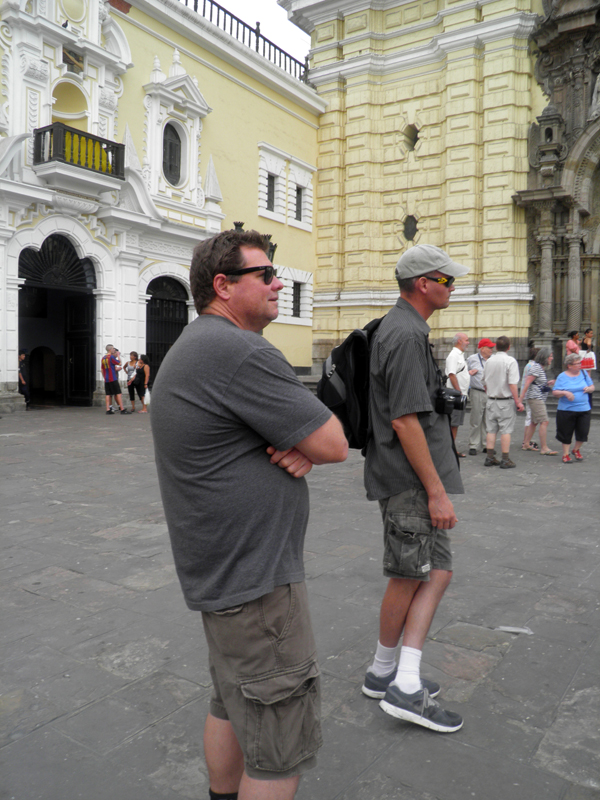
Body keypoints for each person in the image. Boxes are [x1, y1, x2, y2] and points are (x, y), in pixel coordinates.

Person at [150, 229, 348, 800]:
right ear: (223, 286)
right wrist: (307, 443)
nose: (278, 283)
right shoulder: (240, 350)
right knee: (279, 743)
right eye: (265, 275)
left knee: (231, 702)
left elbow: (305, 442)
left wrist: (299, 444)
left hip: (222, 576)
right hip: (257, 587)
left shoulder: (197, 345)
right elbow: (334, 442)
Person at [361, 243, 466, 734]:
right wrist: (436, 491)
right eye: (447, 279)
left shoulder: (405, 329)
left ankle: (384, 672)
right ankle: (404, 684)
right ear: (423, 284)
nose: (453, 285)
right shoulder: (403, 334)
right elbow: (404, 421)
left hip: (411, 479)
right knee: (414, 574)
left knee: (431, 570)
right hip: (410, 482)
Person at [482, 336, 524, 469]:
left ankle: (489, 457)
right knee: (506, 430)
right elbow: (512, 384)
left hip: (491, 400)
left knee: (491, 429)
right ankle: (505, 459)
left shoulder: (489, 361)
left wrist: (490, 391)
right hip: (505, 401)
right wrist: (518, 401)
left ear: (495, 347)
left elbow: (484, 381)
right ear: (509, 347)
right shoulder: (510, 361)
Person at [552, 353, 595, 463]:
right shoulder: (562, 376)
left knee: (583, 432)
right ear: (569, 365)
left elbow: (592, 386)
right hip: (566, 409)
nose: (580, 365)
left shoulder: (584, 373)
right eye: (577, 364)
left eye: (580, 363)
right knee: (566, 432)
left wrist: (589, 389)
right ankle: (565, 454)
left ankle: (576, 449)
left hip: (584, 408)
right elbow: (555, 392)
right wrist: (565, 392)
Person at [518, 347, 556, 455]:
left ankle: (526, 443)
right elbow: (527, 383)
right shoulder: (536, 367)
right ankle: (544, 448)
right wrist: (520, 399)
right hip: (535, 398)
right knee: (544, 421)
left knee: (534, 422)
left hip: (537, 397)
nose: (552, 358)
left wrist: (546, 383)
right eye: (551, 356)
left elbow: (535, 382)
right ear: (545, 357)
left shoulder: (540, 368)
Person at [466, 338, 494, 455]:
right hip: (477, 392)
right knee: (476, 419)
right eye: (490, 348)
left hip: (490, 393)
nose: (492, 350)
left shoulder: (493, 360)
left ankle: (486, 445)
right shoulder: (472, 359)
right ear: (482, 349)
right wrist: (469, 374)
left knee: (488, 421)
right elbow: (463, 373)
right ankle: (473, 445)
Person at [445, 332, 470, 457]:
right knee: (453, 424)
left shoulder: (459, 355)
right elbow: (451, 374)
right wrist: (458, 391)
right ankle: (450, 450)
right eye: (466, 340)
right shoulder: (454, 355)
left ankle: (452, 448)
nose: (468, 342)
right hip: (456, 395)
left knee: (456, 424)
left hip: (459, 394)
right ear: (459, 341)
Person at [520, 346, 540, 451]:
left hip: (528, 394)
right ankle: (526, 441)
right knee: (529, 418)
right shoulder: (533, 366)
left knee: (530, 418)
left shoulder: (529, 365)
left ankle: (527, 440)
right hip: (530, 395)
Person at [101, 344, 128, 415]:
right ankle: (122, 409)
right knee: (118, 393)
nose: (114, 350)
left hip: (106, 379)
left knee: (108, 394)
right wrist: (118, 355)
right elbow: (119, 363)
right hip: (113, 377)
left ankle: (108, 409)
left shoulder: (103, 358)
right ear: (110, 350)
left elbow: (102, 369)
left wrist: (104, 377)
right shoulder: (111, 357)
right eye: (113, 348)